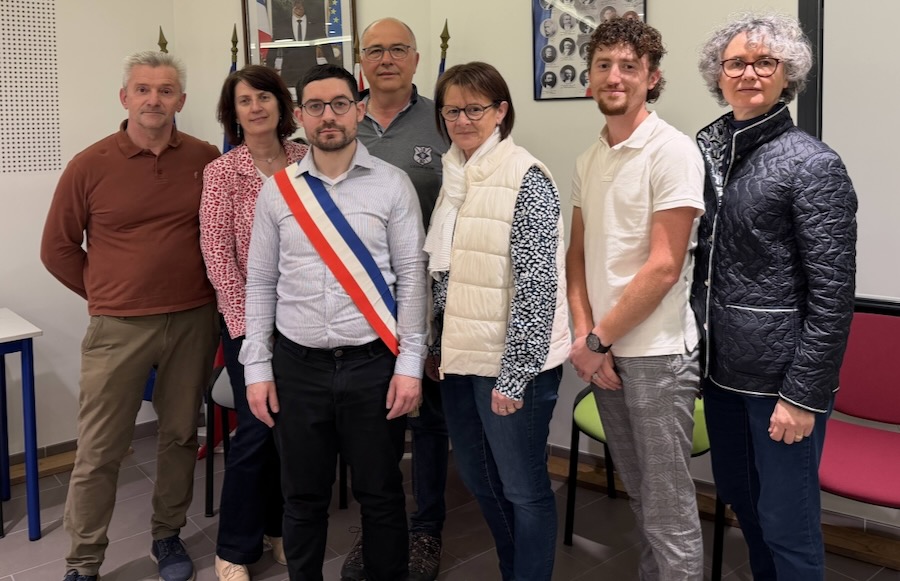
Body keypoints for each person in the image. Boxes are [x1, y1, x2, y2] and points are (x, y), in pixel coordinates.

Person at [241, 64, 427, 581]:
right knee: (301, 498)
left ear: (358, 110)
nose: (329, 116)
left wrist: (409, 365)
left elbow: (413, 279)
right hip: (297, 368)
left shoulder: (393, 185)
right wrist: (257, 368)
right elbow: (260, 282)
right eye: (316, 106)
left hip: (373, 365)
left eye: (340, 104)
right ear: (299, 115)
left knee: (381, 495)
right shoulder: (278, 191)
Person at [40, 51, 220, 581]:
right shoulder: (89, 164)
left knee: (180, 435)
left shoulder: (206, 158)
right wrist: (106, 294)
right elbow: (57, 248)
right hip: (117, 328)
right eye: (142, 89)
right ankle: (83, 561)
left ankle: (167, 535)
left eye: (165, 90)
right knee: (100, 449)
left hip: (192, 321)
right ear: (125, 97)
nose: (153, 99)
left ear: (181, 101)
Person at [693, 14, 857, 580]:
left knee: (788, 525)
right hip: (722, 377)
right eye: (736, 62)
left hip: (781, 387)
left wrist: (803, 397)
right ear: (718, 74)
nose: (749, 73)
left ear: (788, 74)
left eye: (765, 62)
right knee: (744, 503)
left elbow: (833, 295)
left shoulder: (813, 163)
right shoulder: (709, 153)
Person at [566, 18, 705, 580]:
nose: (614, 76)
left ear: (652, 78)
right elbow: (576, 257)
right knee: (643, 498)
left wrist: (599, 340)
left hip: (656, 356)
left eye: (629, 66)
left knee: (669, 510)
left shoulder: (672, 151)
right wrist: (587, 339)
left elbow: (664, 266)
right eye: (603, 65)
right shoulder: (588, 158)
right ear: (589, 79)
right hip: (604, 354)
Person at [427, 61, 571, 581]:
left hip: (511, 367)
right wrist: (436, 346)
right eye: (452, 111)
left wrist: (515, 375)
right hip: (460, 358)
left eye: (475, 109)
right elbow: (447, 274)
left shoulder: (525, 177)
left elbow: (537, 286)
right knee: (480, 480)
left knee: (524, 490)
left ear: (500, 112)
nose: (462, 120)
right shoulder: (456, 174)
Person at [345, 17, 450, 581]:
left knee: (430, 420)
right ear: (361, 61)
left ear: (415, 59)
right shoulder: (341, 121)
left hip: (432, 299)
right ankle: (379, 527)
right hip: (359, 304)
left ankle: (427, 528)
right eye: (375, 50)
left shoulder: (444, 119)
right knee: (373, 424)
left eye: (398, 49)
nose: (386, 59)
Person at [200, 65, 308, 581]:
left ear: (281, 105)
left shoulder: (307, 158)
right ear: (234, 113)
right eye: (245, 100)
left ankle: (278, 527)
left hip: (305, 319)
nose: (256, 107)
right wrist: (248, 328)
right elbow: (217, 256)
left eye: (264, 97)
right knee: (256, 431)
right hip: (248, 323)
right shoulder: (222, 172)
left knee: (291, 430)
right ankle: (234, 548)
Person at [266, 0, 339, 89]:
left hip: (310, 74)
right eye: (296, 3)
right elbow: (273, 51)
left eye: (301, 3)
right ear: (292, 5)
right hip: (289, 74)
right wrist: (269, 73)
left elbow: (327, 50)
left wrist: (334, 74)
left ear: (306, 6)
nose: (299, 6)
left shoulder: (316, 26)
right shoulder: (282, 26)